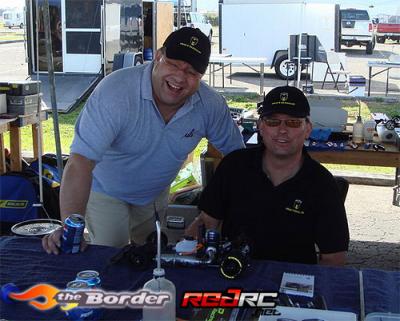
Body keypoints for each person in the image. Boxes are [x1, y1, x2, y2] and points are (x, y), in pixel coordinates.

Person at [42, 27, 245, 254]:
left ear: (201, 77)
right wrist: (70, 226)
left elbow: (239, 159)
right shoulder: (116, 92)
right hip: (106, 193)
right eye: (174, 64)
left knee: (152, 257)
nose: (180, 77)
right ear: (158, 56)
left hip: (155, 195)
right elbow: (80, 161)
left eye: (191, 72)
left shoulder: (210, 105)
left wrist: (214, 210)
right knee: (109, 257)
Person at [185, 86, 349, 266]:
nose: (282, 130)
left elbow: (333, 257)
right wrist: (186, 253)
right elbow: (205, 222)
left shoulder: (322, 184)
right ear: (260, 126)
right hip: (233, 272)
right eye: (273, 122)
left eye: (293, 122)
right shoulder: (233, 166)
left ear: (308, 128)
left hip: (293, 282)